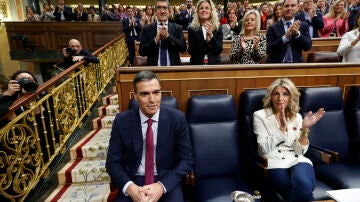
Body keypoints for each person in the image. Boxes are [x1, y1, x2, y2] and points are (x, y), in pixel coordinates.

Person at [106, 71, 193, 202]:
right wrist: (131, 188)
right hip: (134, 181)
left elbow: (186, 160)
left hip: (166, 180)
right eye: (144, 94)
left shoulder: (177, 119)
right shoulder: (121, 121)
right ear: (135, 95)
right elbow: (112, 163)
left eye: (156, 92)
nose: (152, 99)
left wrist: (161, 186)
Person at [253, 78, 325, 202]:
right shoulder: (260, 116)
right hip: (274, 162)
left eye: (285, 94)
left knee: (302, 183)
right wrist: (281, 129)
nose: (280, 98)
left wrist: (304, 129)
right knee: (302, 188)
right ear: (271, 96)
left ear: (291, 97)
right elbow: (263, 148)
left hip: (296, 159)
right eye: (276, 93)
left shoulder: (296, 116)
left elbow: (298, 151)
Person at [139, 0, 187, 66]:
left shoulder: (177, 28)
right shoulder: (147, 29)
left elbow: (183, 48)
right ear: (155, 11)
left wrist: (169, 36)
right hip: (153, 72)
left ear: (169, 11)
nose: (162, 11)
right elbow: (141, 52)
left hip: (173, 70)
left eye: (165, 8)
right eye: (159, 8)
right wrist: (155, 40)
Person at [187, 0, 223, 65]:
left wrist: (211, 37)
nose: (204, 10)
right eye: (201, 8)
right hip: (196, 65)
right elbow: (191, 50)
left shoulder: (217, 27)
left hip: (214, 65)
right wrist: (205, 41)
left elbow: (219, 50)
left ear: (211, 11)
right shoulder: (192, 28)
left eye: (207, 8)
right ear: (197, 11)